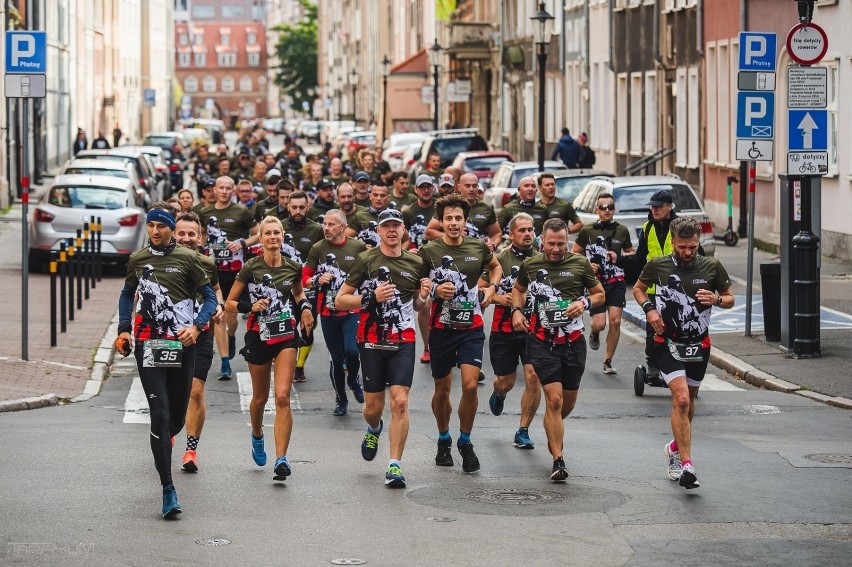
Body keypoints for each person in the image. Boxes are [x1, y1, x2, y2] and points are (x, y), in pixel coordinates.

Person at [115, 203, 217, 518]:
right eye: (152, 226)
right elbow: (125, 294)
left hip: (181, 345)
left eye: (162, 226)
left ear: (171, 228)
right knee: (159, 415)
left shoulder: (189, 260)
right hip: (148, 345)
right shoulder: (138, 259)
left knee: (175, 419)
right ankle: (168, 488)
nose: (156, 232)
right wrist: (124, 329)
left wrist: (196, 326)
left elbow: (210, 298)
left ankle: (169, 439)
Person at [633, 217, 734, 490]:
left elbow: (729, 297)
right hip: (667, 341)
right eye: (682, 247)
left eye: (692, 246)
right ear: (674, 243)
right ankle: (685, 464)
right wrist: (650, 310)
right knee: (680, 399)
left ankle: (674, 445)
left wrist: (717, 300)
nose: (687, 252)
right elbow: (639, 289)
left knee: (689, 402)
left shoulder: (711, 266)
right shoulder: (658, 265)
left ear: (698, 242)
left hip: (699, 344)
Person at [335, 208, 432, 488]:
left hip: (403, 339)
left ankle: (394, 466)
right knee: (372, 408)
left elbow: (417, 304)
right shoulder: (365, 260)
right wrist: (371, 296)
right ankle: (374, 428)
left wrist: (424, 296)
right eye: (386, 226)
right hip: (372, 340)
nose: (392, 230)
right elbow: (341, 300)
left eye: (396, 226)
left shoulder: (415, 262)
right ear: (378, 231)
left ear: (403, 231)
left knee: (400, 402)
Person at [511, 218, 604, 481]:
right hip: (541, 341)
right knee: (554, 398)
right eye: (551, 244)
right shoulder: (530, 265)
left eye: (561, 243)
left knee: (567, 402)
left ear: (568, 241)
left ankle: (552, 424)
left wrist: (584, 302)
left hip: (573, 342)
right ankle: (558, 460)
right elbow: (518, 290)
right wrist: (517, 310)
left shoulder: (580, 264)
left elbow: (600, 294)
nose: (555, 249)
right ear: (542, 241)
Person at [225, 216, 314, 482]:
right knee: (260, 398)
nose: (273, 237)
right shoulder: (250, 267)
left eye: (277, 232)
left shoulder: (292, 267)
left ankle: (281, 458)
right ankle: (257, 435)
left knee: (283, 396)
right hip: (258, 336)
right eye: (268, 233)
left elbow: (298, 294)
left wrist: (306, 308)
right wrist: (249, 307)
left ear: (282, 236)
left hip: (286, 334)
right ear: (261, 238)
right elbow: (229, 302)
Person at [419, 193, 502, 473]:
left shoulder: (477, 247)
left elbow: (496, 267)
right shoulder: (429, 250)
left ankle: (465, 442)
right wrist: (433, 290)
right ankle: (444, 438)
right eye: (448, 219)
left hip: (472, 327)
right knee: (442, 389)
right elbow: (419, 285)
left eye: (458, 218)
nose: (454, 223)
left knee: (469, 385)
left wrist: (491, 289)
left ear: (466, 221)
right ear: (441, 222)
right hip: (441, 328)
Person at [173, 212, 226, 473]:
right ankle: (170, 427)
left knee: (195, 390)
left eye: (191, 234)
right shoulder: (160, 262)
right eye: (181, 233)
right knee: (171, 391)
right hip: (168, 334)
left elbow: (215, 291)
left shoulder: (207, 263)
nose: (186, 238)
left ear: (200, 237)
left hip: (200, 332)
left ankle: (191, 450)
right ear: (174, 234)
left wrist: (219, 305)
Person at [303, 210, 367, 415]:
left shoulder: (356, 247)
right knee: (337, 359)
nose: (326, 228)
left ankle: (353, 379)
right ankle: (341, 398)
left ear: (342, 227)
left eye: (331, 224)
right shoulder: (318, 248)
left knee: (352, 350)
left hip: (351, 309)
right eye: (324, 224)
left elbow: (366, 274)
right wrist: (316, 281)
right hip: (328, 312)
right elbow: (305, 277)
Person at [487, 213, 542, 449]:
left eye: (530, 229)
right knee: (505, 382)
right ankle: (499, 394)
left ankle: (523, 430)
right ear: (511, 234)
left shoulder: (543, 259)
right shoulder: (499, 260)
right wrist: (501, 298)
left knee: (533, 377)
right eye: (522, 230)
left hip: (535, 329)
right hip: (504, 329)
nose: (528, 233)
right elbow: (481, 291)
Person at [198, 176, 260, 380]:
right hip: (213, 271)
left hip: (236, 271)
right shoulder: (205, 212)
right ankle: (225, 362)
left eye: (228, 188)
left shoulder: (241, 212)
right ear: (214, 190)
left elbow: (258, 234)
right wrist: (203, 250)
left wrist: (242, 243)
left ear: (233, 191)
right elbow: (203, 235)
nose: (224, 191)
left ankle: (231, 336)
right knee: (219, 315)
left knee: (231, 317)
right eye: (220, 188)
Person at [571, 193, 635, 374]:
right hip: (596, 283)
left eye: (611, 207)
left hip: (616, 281)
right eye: (603, 207)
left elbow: (631, 254)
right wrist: (587, 264)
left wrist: (620, 257)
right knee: (599, 324)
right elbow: (574, 253)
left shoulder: (622, 230)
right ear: (597, 210)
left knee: (615, 321)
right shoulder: (587, 230)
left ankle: (608, 361)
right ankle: (595, 332)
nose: (608, 210)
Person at [280, 191, 324, 383]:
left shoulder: (316, 229)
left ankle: (299, 365)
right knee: (286, 325)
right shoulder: (279, 227)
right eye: (294, 207)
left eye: (302, 207)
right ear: (287, 206)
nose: (298, 211)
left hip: (308, 286)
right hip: (282, 286)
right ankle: (285, 361)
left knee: (307, 326)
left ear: (308, 207)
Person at [403, 174, 437, 364]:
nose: (425, 190)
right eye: (421, 187)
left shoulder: (439, 208)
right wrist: (409, 250)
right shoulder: (409, 212)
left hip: (439, 259)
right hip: (418, 262)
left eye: (428, 186)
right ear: (415, 190)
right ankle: (427, 347)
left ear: (433, 188)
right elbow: (404, 237)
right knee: (424, 305)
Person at [425, 173, 501, 251]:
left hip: (478, 255)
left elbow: (496, 233)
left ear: (478, 187)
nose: (471, 189)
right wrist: (450, 235)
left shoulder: (486, 208)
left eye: (474, 186)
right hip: (454, 253)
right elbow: (429, 233)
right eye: (467, 186)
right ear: (459, 187)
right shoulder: (450, 205)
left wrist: (493, 244)